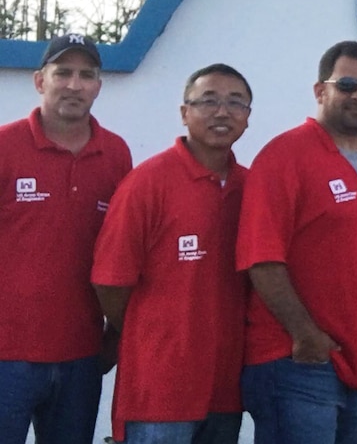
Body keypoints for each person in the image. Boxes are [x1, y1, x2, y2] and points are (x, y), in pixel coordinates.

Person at [237, 41, 357, 443]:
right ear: (320, 91)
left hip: (355, 363)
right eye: (346, 85)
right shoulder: (285, 155)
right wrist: (305, 335)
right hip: (296, 361)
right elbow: (262, 259)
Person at [91, 64, 253, 443]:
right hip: (158, 394)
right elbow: (110, 283)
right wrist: (156, 335)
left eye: (235, 103)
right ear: (184, 113)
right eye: (208, 101)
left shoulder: (251, 187)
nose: (222, 112)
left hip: (225, 390)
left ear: (248, 117)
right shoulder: (147, 184)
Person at [0, 33, 132, 443]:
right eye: (64, 73)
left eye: (86, 74)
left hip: (81, 355)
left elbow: (122, 253)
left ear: (98, 85)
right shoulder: (4, 146)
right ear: (41, 81)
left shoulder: (116, 155)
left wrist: (114, 335)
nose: (75, 84)